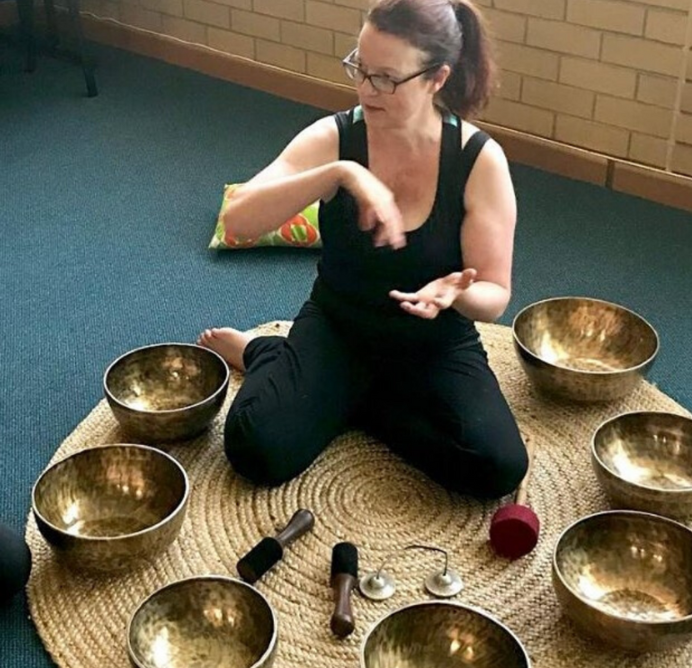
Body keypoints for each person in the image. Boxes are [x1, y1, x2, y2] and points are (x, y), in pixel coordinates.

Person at [199, 0, 528, 499]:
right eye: (360, 67)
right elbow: (238, 218)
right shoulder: (337, 137)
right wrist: (341, 173)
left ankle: (349, 400)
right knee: (255, 447)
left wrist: (454, 295)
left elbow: (495, 293)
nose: (365, 88)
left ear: (436, 78)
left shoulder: (478, 160)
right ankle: (268, 353)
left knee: (497, 467)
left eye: (387, 79)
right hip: (339, 327)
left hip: (433, 343)